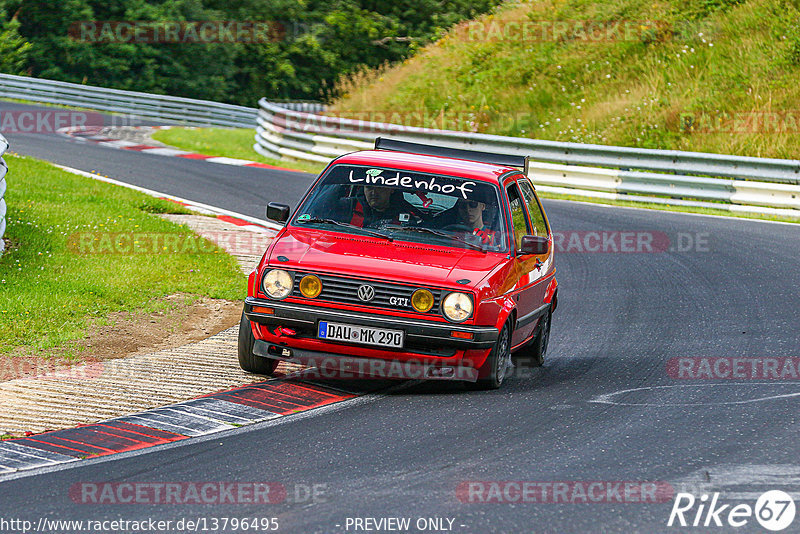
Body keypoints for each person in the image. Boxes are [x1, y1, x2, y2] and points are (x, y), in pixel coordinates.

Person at [349, 185, 424, 228]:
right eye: (369, 187)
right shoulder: (348, 208)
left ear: (391, 190)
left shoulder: (408, 218)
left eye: (379, 187)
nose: (373, 192)